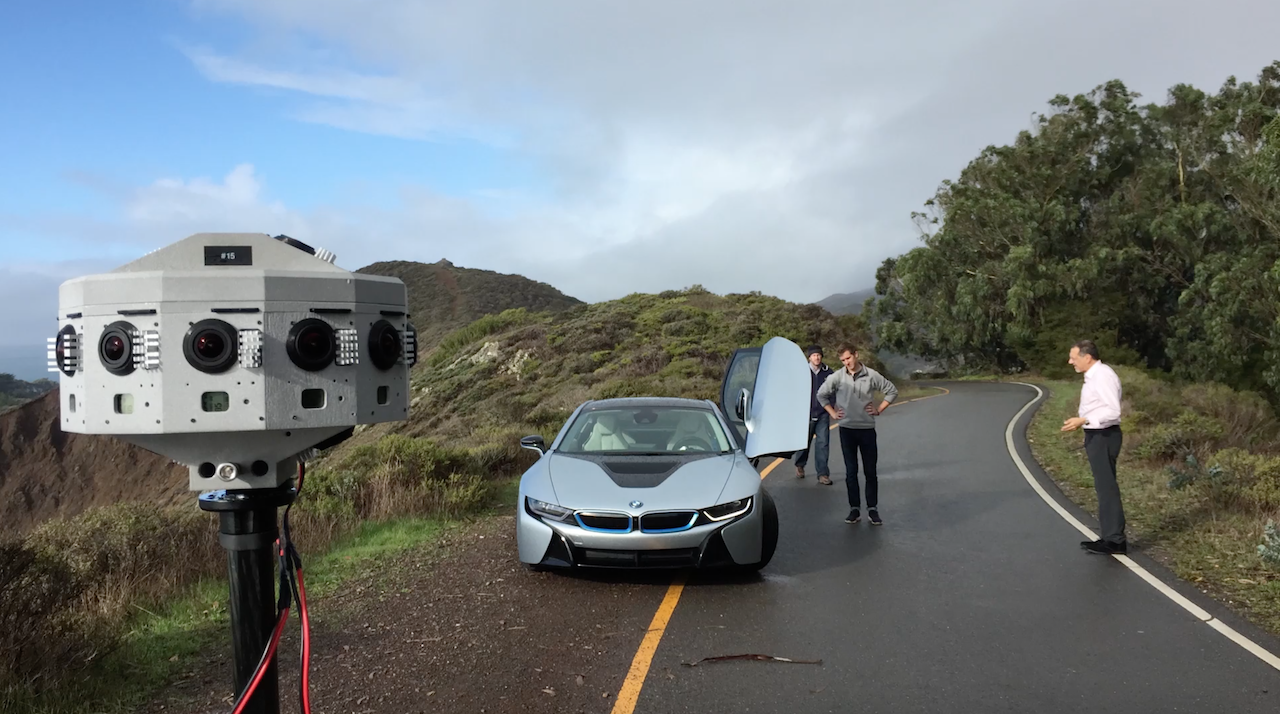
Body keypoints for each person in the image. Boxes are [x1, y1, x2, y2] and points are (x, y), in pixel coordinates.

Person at [816, 344, 898, 525]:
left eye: (849, 358)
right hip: (846, 430)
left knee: (870, 471)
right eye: (843, 360)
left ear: (856, 355)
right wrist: (832, 413)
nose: (847, 363)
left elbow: (892, 390)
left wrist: (879, 409)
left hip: (867, 429)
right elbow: (821, 395)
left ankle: (872, 509)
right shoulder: (837, 377)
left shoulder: (871, 375)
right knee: (851, 472)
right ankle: (854, 509)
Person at [1061, 339, 1126, 555]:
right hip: (1096, 435)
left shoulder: (1103, 376)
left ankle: (1115, 540)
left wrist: (1084, 420)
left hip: (1104, 435)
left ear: (1087, 357)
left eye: (1073, 357)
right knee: (1102, 486)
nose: (1070, 362)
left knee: (1107, 486)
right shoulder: (1093, 377)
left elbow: (1113, 411)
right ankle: (1109, 536)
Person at [794, 345, 835, 484]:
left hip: (823, 412)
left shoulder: (828, 372)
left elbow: (834, 391)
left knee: (823, 443)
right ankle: (800, 465)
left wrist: (832, 408)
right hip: (805, 414)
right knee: (804, 443)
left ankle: (823, 474)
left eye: (819, 355)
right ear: (809, 357)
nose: (816, 358)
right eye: (814, 355)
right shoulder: (802, 371)